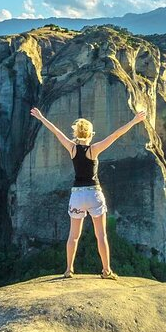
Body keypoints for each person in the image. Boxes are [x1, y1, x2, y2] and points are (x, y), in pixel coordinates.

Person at [29, 106, 147, 280]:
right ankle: (106, 271)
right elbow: (116, 135)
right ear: (91, 134)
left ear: (76, 133)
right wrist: (134, 120)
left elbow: (55, 131)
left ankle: (69, 270)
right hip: (94, 194)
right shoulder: (94, 149)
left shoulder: (72, 148)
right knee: (101, 235)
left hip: (77, 196)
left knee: (73, 236)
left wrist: (41, 117)